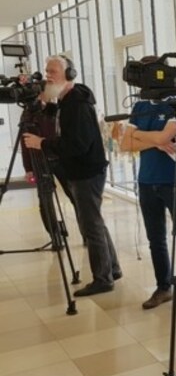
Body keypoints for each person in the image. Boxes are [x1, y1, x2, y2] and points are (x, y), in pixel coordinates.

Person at [23, 54, 122, 296]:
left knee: (90, 226)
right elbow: (60, 115)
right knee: (94, 221)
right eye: (47, 71)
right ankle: (113, 269)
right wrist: (44, 106)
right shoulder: (69, 100)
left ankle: (103, 279)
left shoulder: (76, 105)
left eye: (53, 71)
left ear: (69, 75)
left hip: (86, 171)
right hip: (84, 169)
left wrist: (42, 143)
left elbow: (76, 144)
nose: (48, 76)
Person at [115, 58, 176, 311]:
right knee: (156, 239)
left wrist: (142, 137)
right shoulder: (141, 105)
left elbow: (164, 137)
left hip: (175, 179)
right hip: (146, 181)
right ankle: (163, 287)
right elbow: (124, 144)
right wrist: (155, 141)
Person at [19, 91, 83, 250]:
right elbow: (24, 141)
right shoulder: (28, 114)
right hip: (39, 160)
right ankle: (56, 237)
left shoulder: (56, 108)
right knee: (45, 200)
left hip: (61, 158)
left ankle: (87, 234)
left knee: (76, 196)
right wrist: (28, 168)